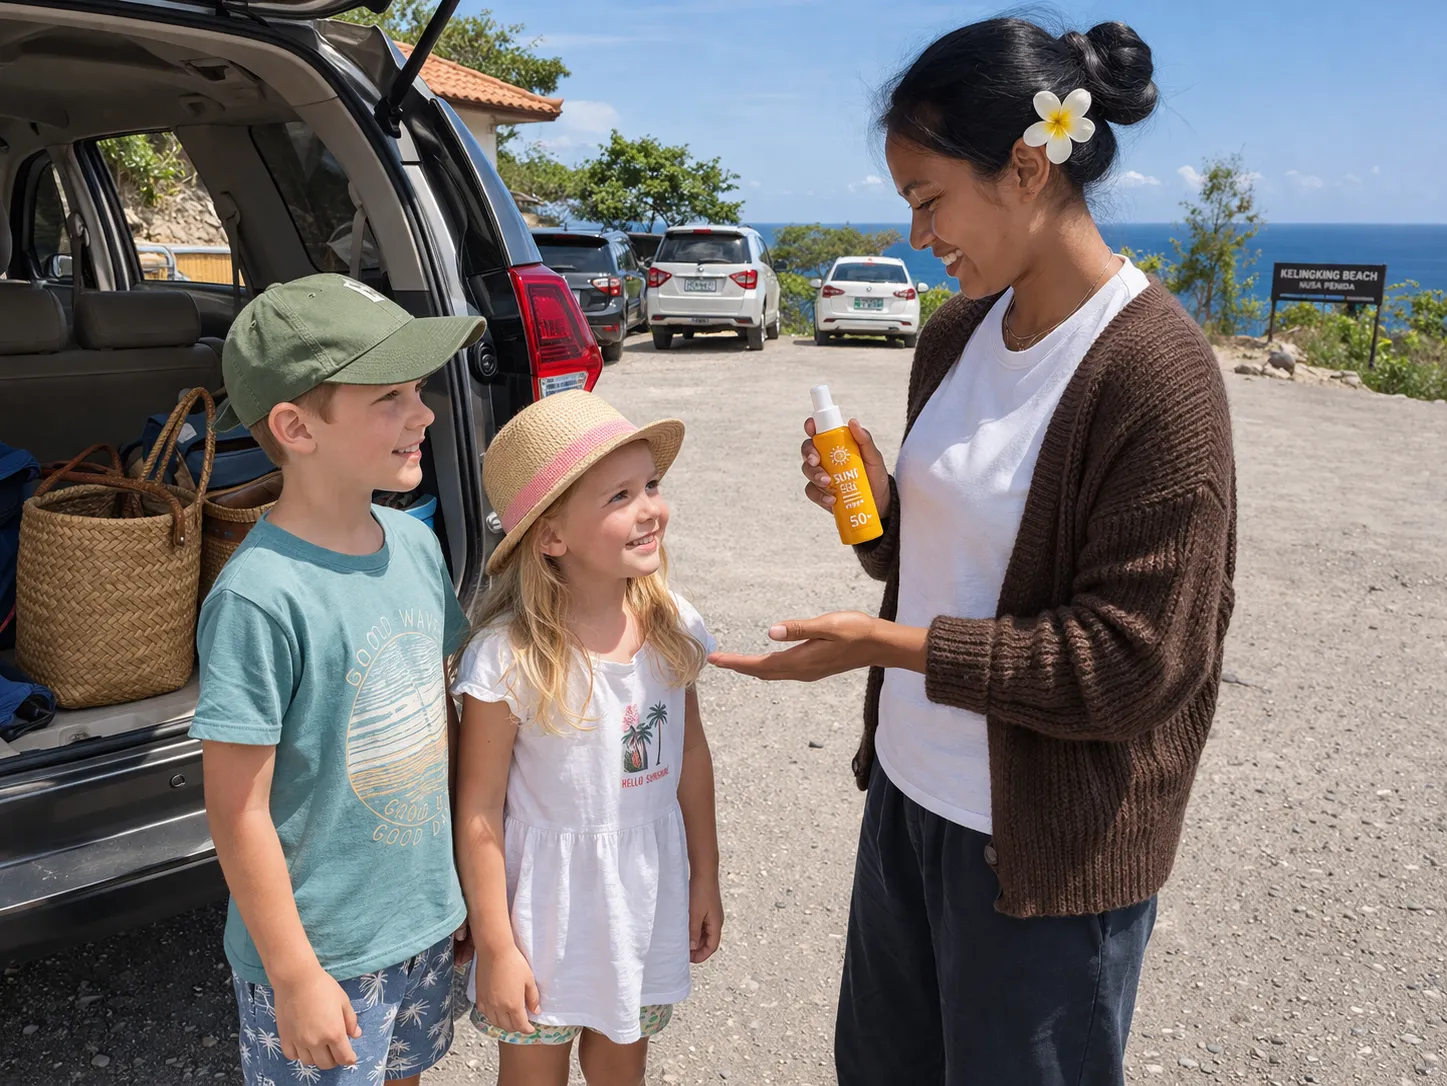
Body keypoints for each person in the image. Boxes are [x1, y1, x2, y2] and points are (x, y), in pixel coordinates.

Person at [710, 17, 1237, 1086]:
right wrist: (879, 512)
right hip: (910, 799)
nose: (916, 235)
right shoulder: (957, 332)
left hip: (1041, 847)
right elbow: (957, 560)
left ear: (1028, 166)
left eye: (927, 200)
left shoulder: (1154, 375)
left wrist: (882, 645)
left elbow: (1133, 666)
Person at [191, 273, 486, 1085]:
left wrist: (457, 885)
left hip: (421, 922)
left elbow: (439, 710)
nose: (423, 414)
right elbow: (237, 805)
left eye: (418, 391)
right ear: (295, 425)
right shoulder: (259, 596)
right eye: (389, 396)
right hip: (320, 950)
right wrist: (292, 975)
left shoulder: (416, 546)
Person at [450, 391, 722, 1086]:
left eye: (651, 487)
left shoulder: (671, 625)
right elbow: (478, 808)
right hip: (543, 914)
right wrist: (495, 942)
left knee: (620, 1064)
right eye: (620, 495)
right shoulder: (507, 658)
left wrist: (705, 877)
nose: (649, 508)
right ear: (551, 536)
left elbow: (689, 754)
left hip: (642, 897)